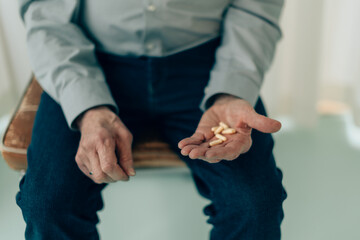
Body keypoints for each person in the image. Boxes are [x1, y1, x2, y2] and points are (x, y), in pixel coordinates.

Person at [16, 0, 287, 239]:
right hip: (84, 61)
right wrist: (88, 109)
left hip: (211, 63)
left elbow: (256, 10)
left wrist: (230, 91)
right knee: (46, 205)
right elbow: (45, 14)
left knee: (256, 203)